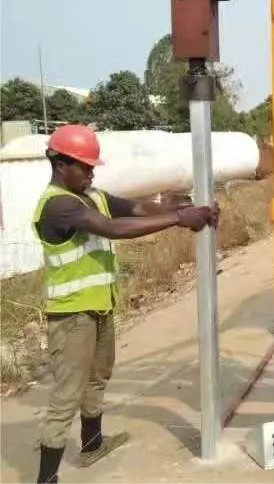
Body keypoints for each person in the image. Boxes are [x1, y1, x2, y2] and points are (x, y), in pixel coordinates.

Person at [33, 124, 220, 484]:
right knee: (66, 396)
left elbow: (133, 208)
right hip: (71, 316)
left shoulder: (92, 194)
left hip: (100, 307)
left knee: (98, 377)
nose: (91, 172)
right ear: (60, 164)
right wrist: (180, 220)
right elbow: (112, 228)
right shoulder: (57, 205)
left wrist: (179, 207)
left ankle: (92, 445)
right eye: (85, 166)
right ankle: (46, 479)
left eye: (92, 166)